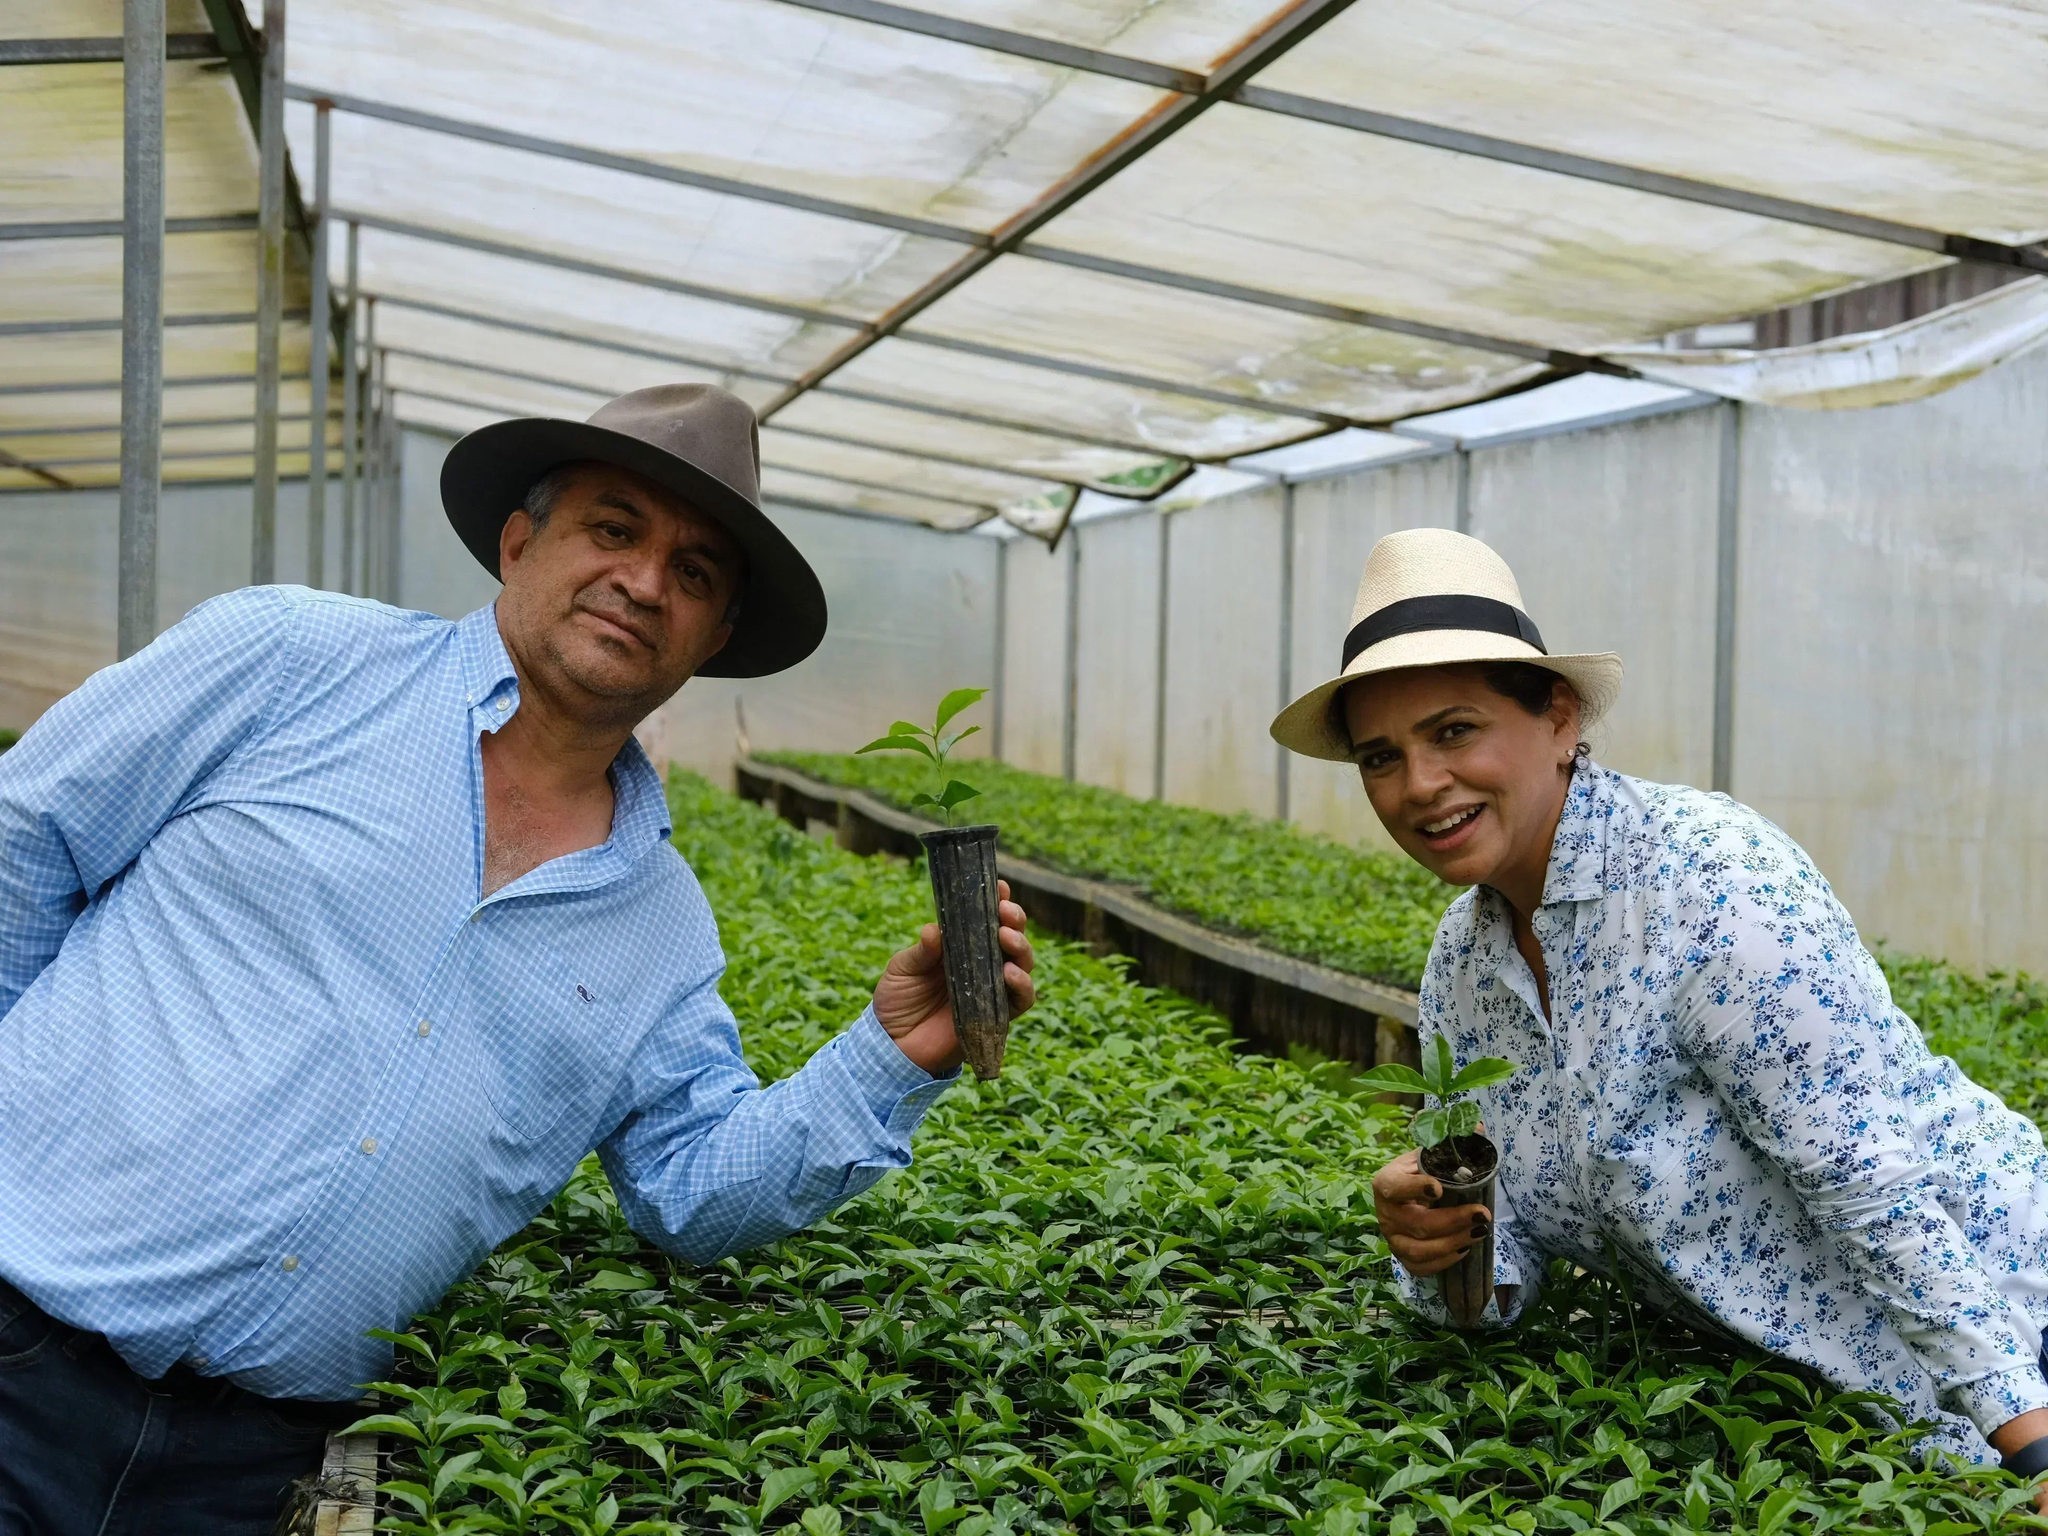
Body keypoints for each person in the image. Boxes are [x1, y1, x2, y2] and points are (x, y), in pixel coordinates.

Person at [0, 384, 1035, 1534]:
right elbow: (25, 844)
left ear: (717, 636)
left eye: (694, 574)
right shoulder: (289, 658)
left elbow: (688, 1189)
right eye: (612, 528)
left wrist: (887, 1059)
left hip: (254, 1463)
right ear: (517, 540)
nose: (644, 582)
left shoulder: (660, 923)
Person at [1269, 527, 2048, 1480]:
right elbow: (1498, 1275)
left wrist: (2032, 1444)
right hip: (1839, 1407)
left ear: (1557, 716)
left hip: (2017, 1329)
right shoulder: (1463, 969)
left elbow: (1866, 1181)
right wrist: (1435, 1242)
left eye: (1455, 730)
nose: (1420, 785)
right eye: (1380, 757)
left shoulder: (1706, 881)